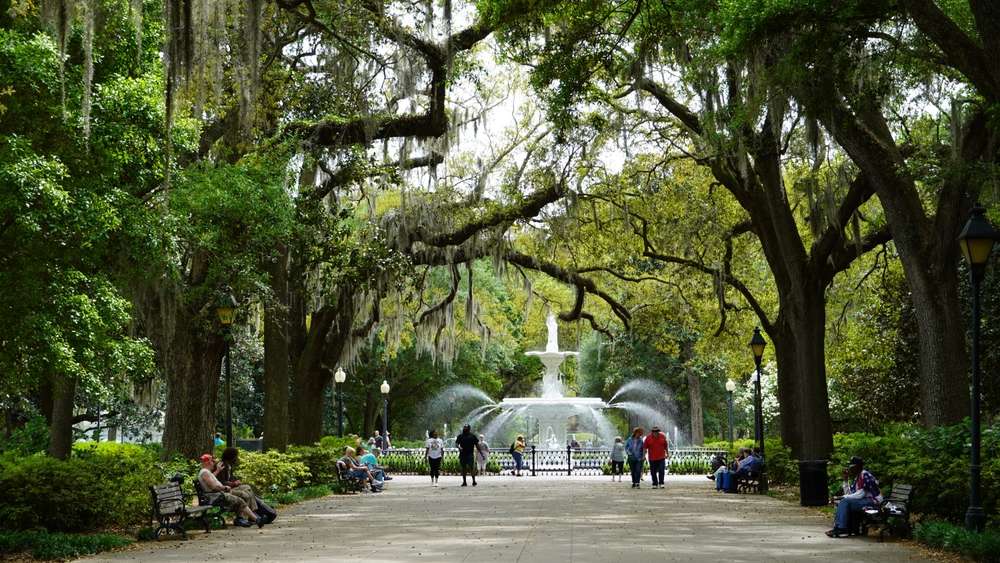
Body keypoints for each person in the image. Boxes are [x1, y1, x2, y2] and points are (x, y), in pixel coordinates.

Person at [197, 454, 261, 527]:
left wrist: (218, 470)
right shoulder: (204, 472)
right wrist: (225, 488)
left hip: (217, 494)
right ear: (208, 462)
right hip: (216, 496)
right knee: (241, 499)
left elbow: (211, 479)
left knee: (244, 495)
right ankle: (254, 519)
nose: (214, 463)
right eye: (212, 461)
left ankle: (249, 519)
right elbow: (214, 487)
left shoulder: (206, 472)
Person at [827, 457, 881, 538]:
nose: (850, 469)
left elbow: (860, 494)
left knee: (845, 501)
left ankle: (842, 528)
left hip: (873, 501)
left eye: (852, 467)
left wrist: (842, 497)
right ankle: (843, 527)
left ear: (858, 466)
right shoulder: (857, 477)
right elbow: (850, 494)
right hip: (863, 501)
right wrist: (845, 480)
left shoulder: (864, 474)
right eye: (850, 467)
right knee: (843, 502)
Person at [213, 448, 261, 516]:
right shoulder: (222, 465)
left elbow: (230, 478)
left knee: (247, 487)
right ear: (231, 456)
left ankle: (253, 512)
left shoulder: (229, 465)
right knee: (245, 494)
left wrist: (236, 481)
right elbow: (221, 482)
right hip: (224, 490)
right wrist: (234, 483)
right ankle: (246, 516)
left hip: (230, 487)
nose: (237, 458)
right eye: (236, 456)